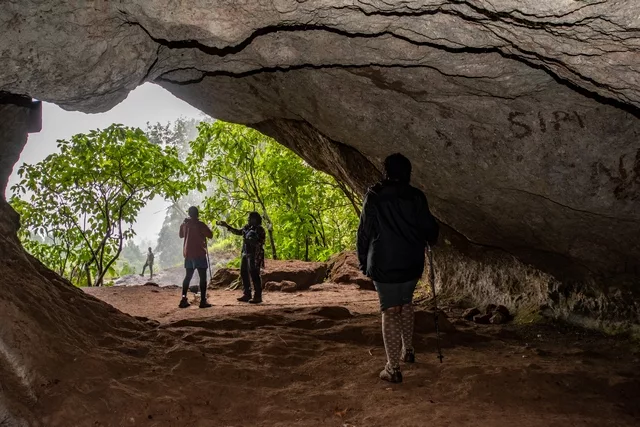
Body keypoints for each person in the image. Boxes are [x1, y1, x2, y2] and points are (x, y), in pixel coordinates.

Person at [357, 153, 439, 383]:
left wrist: (363, 259)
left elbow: (364, 231)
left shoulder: (375, 196)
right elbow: (429, 229)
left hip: (384, 263)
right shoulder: (416, 196)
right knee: (406, 302)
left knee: (390, 309)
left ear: (386, 172)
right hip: (412, 261)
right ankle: (408, 350)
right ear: (408, 172)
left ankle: (393, 369)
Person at [217, 212, 266, 304]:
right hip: (245, 253)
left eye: (250, 218)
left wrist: (252, 241)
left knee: (254, 274)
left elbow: (261, 242)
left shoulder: (260, 229)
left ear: (255, 219)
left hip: (255, 254)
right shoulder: (247, 227)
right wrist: (227, 226)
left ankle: (257, 296)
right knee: (244, 273)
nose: (248, 220)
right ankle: (247, 294)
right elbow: (238, 232)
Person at [179, 206, 213, 309]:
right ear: (197, 214)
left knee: (187, 277)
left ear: (189, 214)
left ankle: (183, 299)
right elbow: (210, 235)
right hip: (199, 253)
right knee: (203, 277)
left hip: (188, 254)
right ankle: (203, 301)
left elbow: (181, 235)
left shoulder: (184, 224)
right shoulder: (200, 224)